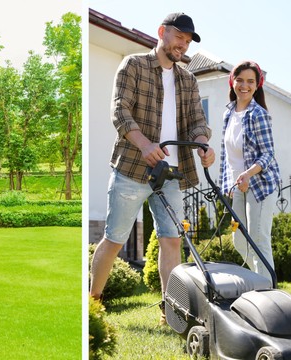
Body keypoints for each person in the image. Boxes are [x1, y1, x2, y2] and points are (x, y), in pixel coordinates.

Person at [89, 12, 215, 323]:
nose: (182, 45)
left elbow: (198, 121)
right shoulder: (133, 65)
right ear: (162, 32)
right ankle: (92, 302)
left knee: (171, 239)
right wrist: (144, 145)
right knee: (115, 238)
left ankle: (170, 309)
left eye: (187, 41)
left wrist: (203, 144)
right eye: (178, 38)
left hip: (171, 173)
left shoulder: (188, 80)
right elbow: (120, 110)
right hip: (132, 168)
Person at [219, 61, 281, 282]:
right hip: (238, 187)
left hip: (260, 185)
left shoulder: (258, 114)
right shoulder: (228, 113)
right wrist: (226, 185)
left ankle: (267, 292)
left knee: (258, 238)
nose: (244, 85)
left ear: (257, 85)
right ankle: (258, 280)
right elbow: (227, 156)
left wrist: (248, 174)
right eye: (240, 80)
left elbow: (268, 154)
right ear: (232, 82)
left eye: (250, 81)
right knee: (239, 240)